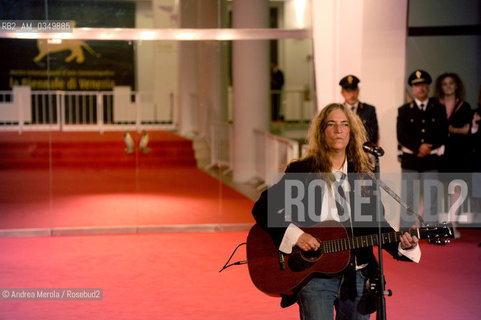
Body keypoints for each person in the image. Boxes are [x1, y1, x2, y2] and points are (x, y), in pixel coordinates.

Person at [252, 103, 420, 320]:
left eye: (344, 124)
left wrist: (403, 244)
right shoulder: (303, 171)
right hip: (314, 276)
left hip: (359, 275)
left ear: (351, 131)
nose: (338, 130)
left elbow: (377, 226)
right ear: (322, 132)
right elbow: (262, 208)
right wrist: (296, 235)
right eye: (331, 124)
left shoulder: (364, 176)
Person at [397, 70, 448, 228]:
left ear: (428, 87)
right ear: (413, 89)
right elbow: (401, 135)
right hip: (411, 159)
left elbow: (442, 133)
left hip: (431, 158)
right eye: (417, 86)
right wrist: (418, 147)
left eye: (424, 85)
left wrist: (427, 147)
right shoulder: (404, 110)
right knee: (408, 197)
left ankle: (432, 230)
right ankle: (405, 230)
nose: (421, 89)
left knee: (431, 195)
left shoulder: (438, 108)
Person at [435, 73, 473, 238]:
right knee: (431, 187)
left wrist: (454, 130)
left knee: (456, 188)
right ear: (440, 87)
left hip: (458, 153)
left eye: (451, 83)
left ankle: (453, 225)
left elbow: (468, 130)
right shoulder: (435, 105)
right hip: (438, 153)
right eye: (445, 84)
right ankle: (421, 224)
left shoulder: (465, 106)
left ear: (457, 86)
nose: (448, 86)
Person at [339, 75, 379, 144]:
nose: (352, 95)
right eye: (348, 91)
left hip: (364, 151)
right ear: (342, 93)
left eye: (354, 90)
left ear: (358, 91)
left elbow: (373, 136)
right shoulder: (338, 111)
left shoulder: (369, 110)